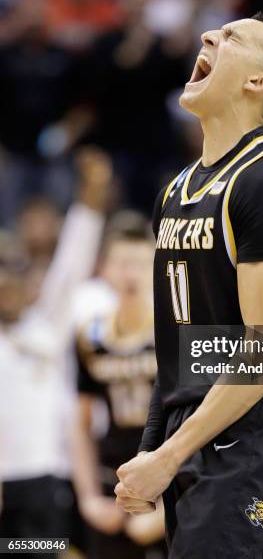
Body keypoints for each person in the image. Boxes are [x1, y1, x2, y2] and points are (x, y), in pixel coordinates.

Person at [115, 12, 263, 559]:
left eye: (232, 37)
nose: (208, 36)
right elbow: (176, 351)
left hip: (259, 427)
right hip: (195, 427)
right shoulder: (175, 191)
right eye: (214, 31)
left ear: (259, 82)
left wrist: (166, 456)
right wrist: (150, 454)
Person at [0, 150, 111, 556]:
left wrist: (91, 197)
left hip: (44, 479)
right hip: (4, 481)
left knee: (44, 550)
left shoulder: (46, 326)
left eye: (14, 279)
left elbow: (72, 263)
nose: (7, 288)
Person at [73, 213, 166, 559]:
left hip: (167, 481)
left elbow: (199, 421)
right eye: (123, 263)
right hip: (111, 482)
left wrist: (169, 510)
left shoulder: (174, 333)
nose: (131, 274)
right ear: (105, 269)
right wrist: (87, 499)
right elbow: (80, 423)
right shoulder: (89, 337)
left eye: (141, 263)